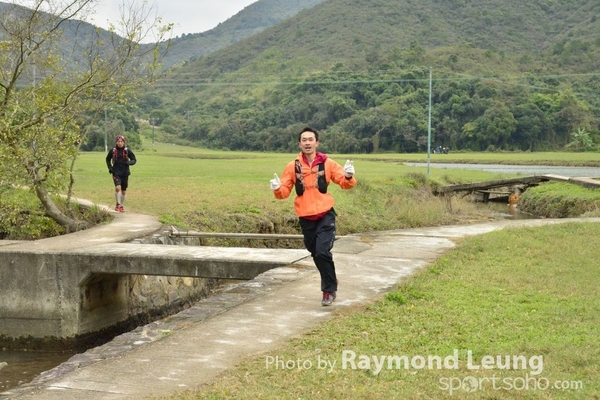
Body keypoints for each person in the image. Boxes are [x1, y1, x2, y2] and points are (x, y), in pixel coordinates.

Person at [270, 127, 356, 306]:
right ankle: (330, 278)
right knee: (315, 252)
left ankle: (328, 290)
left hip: (325, 215)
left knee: (323, 251)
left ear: (317, 143)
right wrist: (277, 188)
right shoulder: (293, 166)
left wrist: (348, 176)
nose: (307, 143)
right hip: (305, 216)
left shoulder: (327, 163)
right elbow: (284, 192)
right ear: (299, 144)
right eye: (304, 140)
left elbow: (344, 182)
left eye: (311, 139)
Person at [105, 134, 137, 212]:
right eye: (118, 141)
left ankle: (121, 206)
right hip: (116, 172)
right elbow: (107, 159)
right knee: (117, 187)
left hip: (125, 173)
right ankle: (118, 204)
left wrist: (129, 162)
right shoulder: (112, 151)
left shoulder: (127, 151)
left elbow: (134, 160)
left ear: (124, 142)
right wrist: (110, 167)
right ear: (116, 142)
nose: (120, 143)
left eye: (121, 141)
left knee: (123, 191)